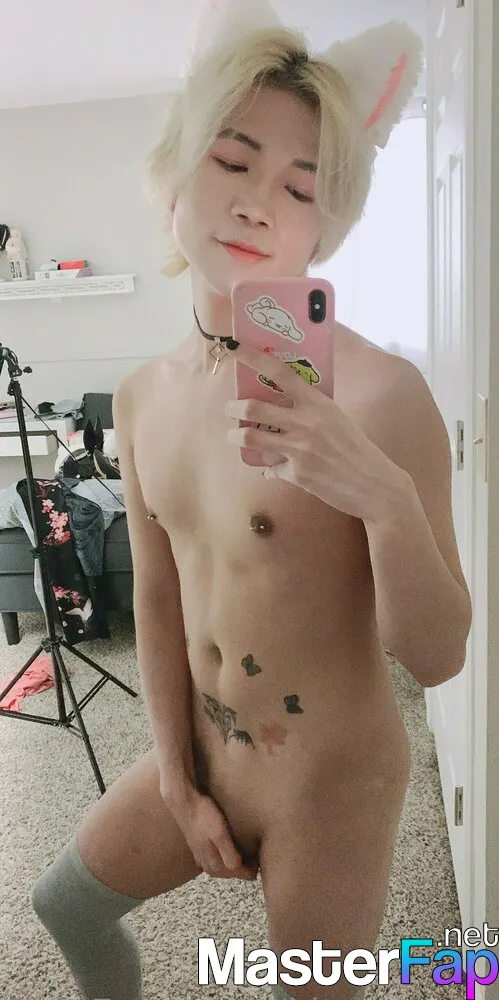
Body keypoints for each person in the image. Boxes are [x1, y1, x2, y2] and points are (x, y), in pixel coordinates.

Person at [31, 5, 472, 1000]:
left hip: (333, 783)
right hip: (204, 751)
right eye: (232, 160)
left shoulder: (378, 394)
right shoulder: (142, 397)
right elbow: (156, 597)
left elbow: (437, 654)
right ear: (175, 175)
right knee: (65, 904)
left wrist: (386, 499)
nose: (258, 204)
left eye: (301, 188)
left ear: (327, 225)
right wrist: (175, 776)